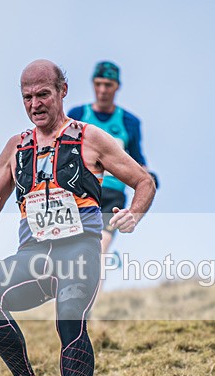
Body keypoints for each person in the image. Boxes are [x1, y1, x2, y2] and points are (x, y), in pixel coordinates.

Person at [0, 59, 155, 376]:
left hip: (79, 252)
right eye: (27, 97)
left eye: (43, 95)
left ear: (62, 92)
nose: (35, 104)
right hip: (34, 256)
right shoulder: (16, 147)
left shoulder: (90, 138)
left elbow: (144, 181)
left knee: (69, 315)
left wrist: (133, 214)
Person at [67, 61, 157, 263]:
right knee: (71, 250)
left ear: (117, 87)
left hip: (112, 195)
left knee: (101, 248)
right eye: (98, 84)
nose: (102, 90)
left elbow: (137, 158)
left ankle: (95, 295)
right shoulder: (78, 115)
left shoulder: (129, 122)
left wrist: (148, 176)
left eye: (108, 85)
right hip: (80, 191)